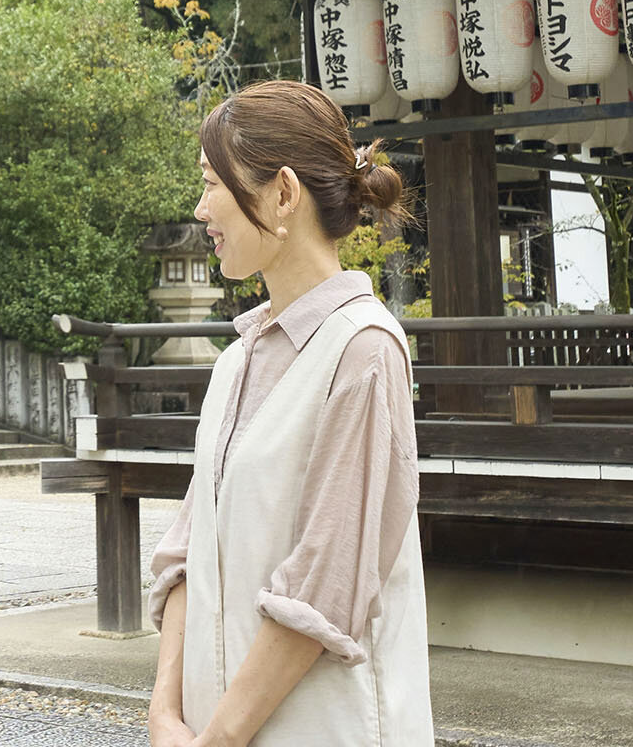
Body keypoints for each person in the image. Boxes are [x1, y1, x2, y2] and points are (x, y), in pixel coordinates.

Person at [147, 80, 431, 747]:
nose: (201, 208)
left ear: (282, 193)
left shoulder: (362, 350)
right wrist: (164, 712)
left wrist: (216, 740)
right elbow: (186, 554)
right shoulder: (236, 361)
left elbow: (324, 585)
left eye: (213, 183)